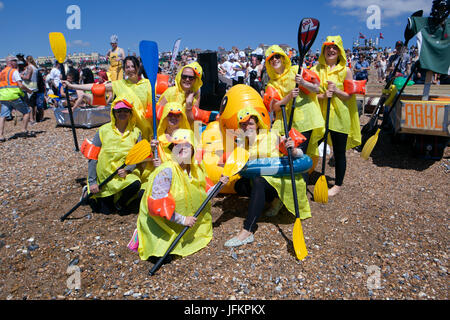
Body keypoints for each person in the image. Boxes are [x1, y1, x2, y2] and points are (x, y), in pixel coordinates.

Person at [223, 107, 311, 247]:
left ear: (257, 124)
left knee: (259, 181)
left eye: (250, 123)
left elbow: (300, 155)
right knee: (240, 185)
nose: (247, 127)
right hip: (261, 179)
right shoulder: (241, 142)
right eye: (243, 124)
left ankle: (248, 230)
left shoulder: (271, 136)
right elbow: (237, 162)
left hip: (280, 179)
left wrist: (293, 149)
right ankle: (274, 199)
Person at [132, 128, 218, 260]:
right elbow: (157, 206)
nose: (181, 148)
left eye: (186, 145)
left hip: (187, 224)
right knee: (161, 255)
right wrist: (183, 220)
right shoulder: (167, 171)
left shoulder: (197, 171)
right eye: (177, 145)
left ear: (193, 149)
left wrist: (221, 183)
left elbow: (210, 193)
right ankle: (141, 234)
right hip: (163, 223)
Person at [311, 36, 362, 197]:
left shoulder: (346, 70)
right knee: (311, 146)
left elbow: (348, 96)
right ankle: (302, 175)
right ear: (323, 50)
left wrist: (336, 91)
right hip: (320, 116)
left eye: (334, 48)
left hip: (340, 116)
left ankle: (338, 184)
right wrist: (324, 95)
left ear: (339, 51)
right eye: (328, 47)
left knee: (339, 152)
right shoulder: (315, 69)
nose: (331, 50)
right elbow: (311, 95)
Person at [63, 56, 154, 141]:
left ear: (138, 67)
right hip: (128, 130)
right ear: (124, 70)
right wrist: (72, 86)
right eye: (127, 67)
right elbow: (95, 87)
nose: (130, 69)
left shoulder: (148, 83)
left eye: (133, 66)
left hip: (147, 127)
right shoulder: (119, 84)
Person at [264, 44, 324, 164]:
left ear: (283, 58)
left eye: (277, 56)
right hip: (287, 123)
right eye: (271, 58)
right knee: (288, 153)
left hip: (306, 120)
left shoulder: (296, 70)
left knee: (301, 155)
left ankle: (302, 180)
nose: (275, 60)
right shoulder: (271, 84)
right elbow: (275, 107)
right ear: (269, 63)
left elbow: (317, 89)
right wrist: (288, 97)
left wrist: (303, 83)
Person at [82, 99, 144, 215]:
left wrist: (128, 170)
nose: (122, 113)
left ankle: (120, 202)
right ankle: (88, 192)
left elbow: (137, 156)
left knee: (135, 183)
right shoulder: (103, 130)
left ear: (131, 113)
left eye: (126, 111)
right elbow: (92, 156)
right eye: (119, 111)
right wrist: (92, 181)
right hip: (104, 176)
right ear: (113, 113)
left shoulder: (136, 132)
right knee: (105, 211)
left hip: (122, 175)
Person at [0, 55, 34, 142]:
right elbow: (20, 85)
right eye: (15, 61)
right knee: (26, 111)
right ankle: (24, 130)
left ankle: (1, 135)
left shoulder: (2, 73)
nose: (16, 63)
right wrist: (29, 90)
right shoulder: (14, 71)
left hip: (3, 97)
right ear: (10, 62)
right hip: (14, 96)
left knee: (3, 116)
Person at [21, 56, 39, 123]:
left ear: (26, 60)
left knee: (29, 105)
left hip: (29, 87)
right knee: (34, 104)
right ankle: (34, 118)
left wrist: (21, 76)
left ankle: (31, 119)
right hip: (34, 86)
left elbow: (27, 77)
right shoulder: (35, 67)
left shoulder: (29, 67)